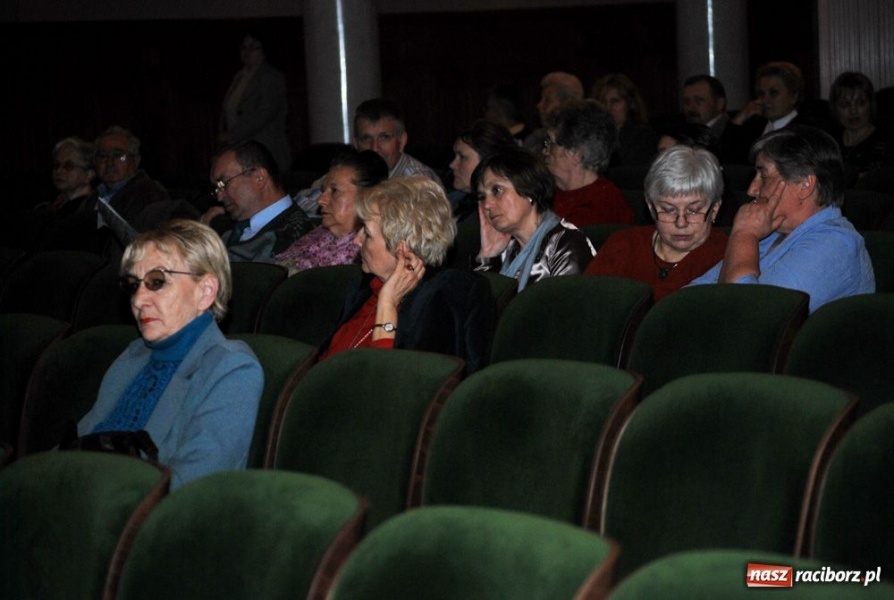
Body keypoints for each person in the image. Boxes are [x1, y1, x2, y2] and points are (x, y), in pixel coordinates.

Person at [77, 219, 264, 489]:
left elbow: (191, 488)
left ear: (206, 292)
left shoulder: (231, 368)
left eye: (157, 281)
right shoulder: (132, 356)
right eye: (133, 284)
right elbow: (80, 444)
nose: (139, 300)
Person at [320, 176, 497, 375]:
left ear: (401, 249)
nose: (357, 241)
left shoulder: (438, 302)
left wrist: (387, 304)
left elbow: (390, 383)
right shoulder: (363, 289)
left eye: (367, 233)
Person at [690, 125, 875, 312]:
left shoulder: (836, 244)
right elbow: (695, 292)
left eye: (764, 175)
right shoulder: (771, 234)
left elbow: (746, 315)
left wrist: (743, 234)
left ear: (805, 185)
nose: (752, 189)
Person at [585, 145, 728, 301]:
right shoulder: (623, 245)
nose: (681, 223)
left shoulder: (726, 256)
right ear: (651, 207)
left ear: (715, 209)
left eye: (693, 211)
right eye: (668, 210)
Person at [473, 145, 595, 291]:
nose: (487, 204)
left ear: (529, 190)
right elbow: (477, 308)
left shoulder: (565, 244)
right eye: (482, 197)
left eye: (497, 190)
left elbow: (562, 309)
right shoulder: (503, 247)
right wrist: (488, 255)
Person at [294, 98, 442, 215]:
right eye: (366, 139)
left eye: (384, 137)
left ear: (401, 141)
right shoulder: (347, 172)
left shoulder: (420, 182)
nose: (374, 148)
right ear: (356, 144)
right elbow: (299, 206)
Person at [275, 150, 388, 275]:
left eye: (335, 191)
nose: (321, 200)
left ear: (367, 197)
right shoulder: (315, 236)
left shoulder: (367, 259)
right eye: (323, 190)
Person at [208, 140, 313, 263]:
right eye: (217, 188)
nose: (219, 197)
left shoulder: (293, 237)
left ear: (259, 178)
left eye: (224, 183)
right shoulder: (224, 224)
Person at [543, 99, 633, 226]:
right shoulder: (549, 192)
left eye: (550, 143)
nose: (545, 151)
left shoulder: (600, 206)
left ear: (575, 155)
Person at [218, 31, 292, 172]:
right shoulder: (239, 77)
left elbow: (262, 116)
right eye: (244, 47)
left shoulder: (272, 78)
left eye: (253, 47)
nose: (247, 52)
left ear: (264, 50)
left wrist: (231, 136)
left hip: (264, 148)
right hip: (240, 148)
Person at [828, 71, 893, 188]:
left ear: (870, 104)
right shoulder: (830, 143)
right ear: (835, 108)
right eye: (845, 105)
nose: (853, 111)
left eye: (860, 103)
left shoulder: (887, 142)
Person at [447, 119, 518, 221]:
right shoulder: (451, 200)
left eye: (462, 157)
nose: (452, 165)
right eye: (455, 156)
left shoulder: (498, 214)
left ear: (487, 161)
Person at [591, 73, 659, 166]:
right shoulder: (595, 134)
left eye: (615, 102)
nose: (608, 107)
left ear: (631, 104)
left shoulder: (643, 135)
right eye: (603, 102)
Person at [681, 74, 748, 163]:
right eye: (686, 101)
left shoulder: (737, 137)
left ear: (719, 104)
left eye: (699, 100)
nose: (691, 107)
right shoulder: (681, 133)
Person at [523, 71, 584, 153]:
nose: (539, 105)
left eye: (547, 100)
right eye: (541, 99)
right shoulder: (536, 141)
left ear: (566, 105)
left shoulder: (579, 143)